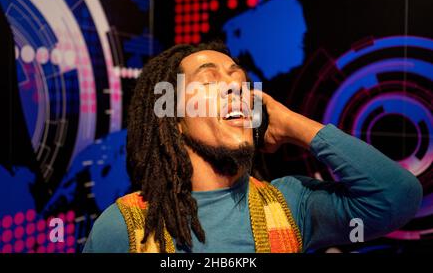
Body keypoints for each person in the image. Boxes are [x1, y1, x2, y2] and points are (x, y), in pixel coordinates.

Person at [83, 41, 422, 253]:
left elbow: (397, 196)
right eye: (210, 80)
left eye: (241, 82)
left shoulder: (291, 204)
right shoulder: (124, 227)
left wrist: (293, 124)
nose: (236, 89)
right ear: (173, 118)